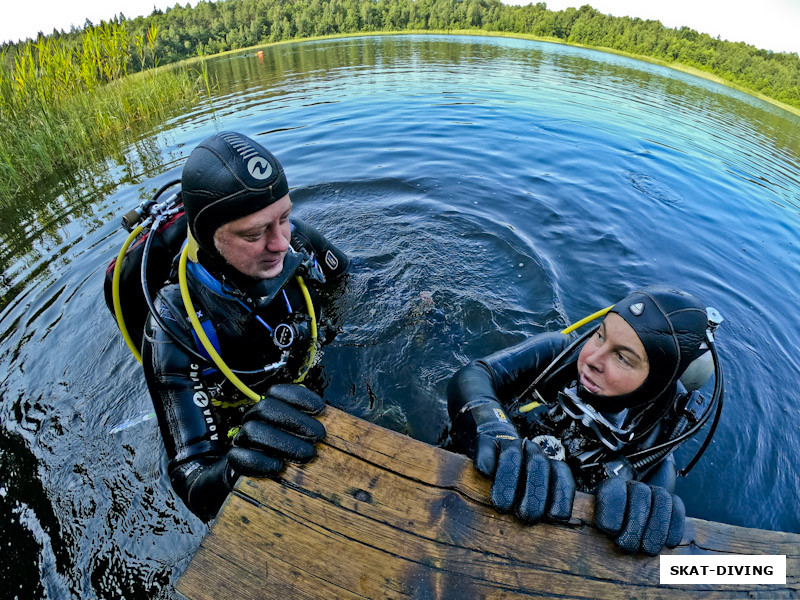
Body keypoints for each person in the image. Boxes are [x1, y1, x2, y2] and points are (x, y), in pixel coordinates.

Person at [140, 132, 349, 520]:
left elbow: (350, 283)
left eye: (284, 217)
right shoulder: (172, 325)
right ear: (207, 236)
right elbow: (192, 479)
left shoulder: (295, 239)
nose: (281, 243)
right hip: (236, 408)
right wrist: (234, 466)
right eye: (254, 234)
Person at [447, 286, 722, 556]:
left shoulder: (653, 454)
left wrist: (646, 512)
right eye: (601, 336)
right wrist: (493, 427)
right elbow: (476, 375)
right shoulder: (559, 353)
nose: (591, 358)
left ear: (656, 383)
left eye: (623, 358)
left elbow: (648, 514)